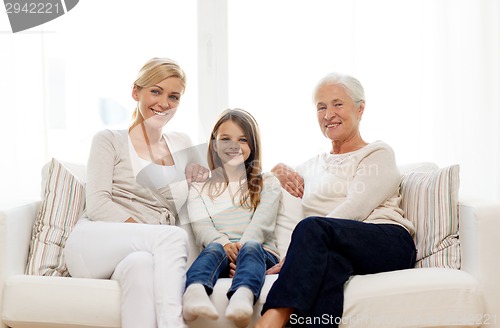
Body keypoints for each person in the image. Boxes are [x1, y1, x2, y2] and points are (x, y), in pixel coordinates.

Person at [255, 73, 417, 328]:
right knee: (328, 266)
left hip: (387, 241)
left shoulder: (377, 153)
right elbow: (261, 183)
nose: (329, 114)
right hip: (337, 248)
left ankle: (271, 320)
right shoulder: (312, 165)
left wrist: (298, 252)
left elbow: (355, 209)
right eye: (321, 107)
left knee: (311, 227)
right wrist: (275, 170)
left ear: (360, 108)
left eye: (337, 104)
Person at [64, 58, 209, 328]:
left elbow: (200, 202)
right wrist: (152, 235)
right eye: (156, 91)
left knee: (141, 269)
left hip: (144, 253)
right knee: (171, 237)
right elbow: (98, 205)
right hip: (95, 243)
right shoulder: (109, 140)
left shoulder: (182, 143)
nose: (164, 103)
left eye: (173, 96)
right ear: (136, 92)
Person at [182, 108, 281, 328]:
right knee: (213, 249)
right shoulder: (200, 187)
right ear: (214, 144)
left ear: (252, 146)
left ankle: (243, 296)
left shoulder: (267, 182)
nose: (233, 145)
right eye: (225, 139)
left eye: (242, 139)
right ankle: (195, 292)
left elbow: (262, 223)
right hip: (221, 253)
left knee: (252, 247)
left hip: (261, 253)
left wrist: (242, 249)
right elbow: (202, 226)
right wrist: (225, 244)